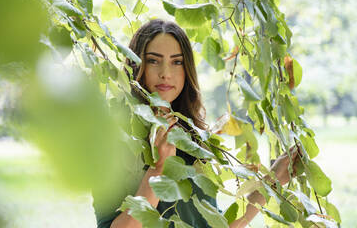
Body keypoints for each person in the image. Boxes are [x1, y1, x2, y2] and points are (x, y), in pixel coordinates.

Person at [92, 19, 298, 228]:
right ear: (136, 65)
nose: (166, 73)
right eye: (154, 60)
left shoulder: (193, 139)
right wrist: (158, 170)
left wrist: (272, 182)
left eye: (177, 62)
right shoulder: (114, 138)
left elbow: (213, 225)